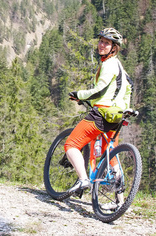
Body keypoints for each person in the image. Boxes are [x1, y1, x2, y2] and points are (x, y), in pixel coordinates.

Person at [64, 27, 132, 209]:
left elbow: (99, 91)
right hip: (116, 115)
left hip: (101, 114)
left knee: (70, 145)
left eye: (107, 43)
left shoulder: (109, 65)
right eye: (101, 41)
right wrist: (125, 108)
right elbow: (129, 86)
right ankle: (120, 202)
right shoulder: (119, 66)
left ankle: (83, 180)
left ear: (114, 48)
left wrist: (79, 94)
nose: (102, 45)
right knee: (111, 155)